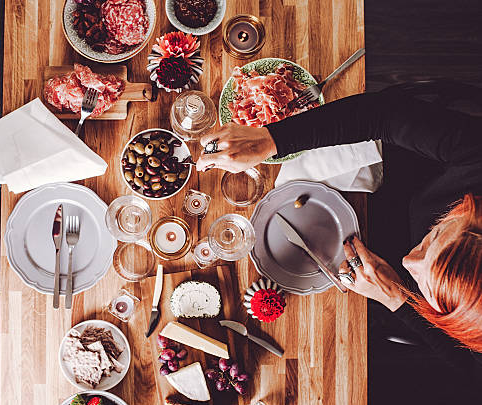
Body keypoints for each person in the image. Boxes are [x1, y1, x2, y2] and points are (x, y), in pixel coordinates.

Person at [196, 91, 482, 382]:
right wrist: (271, 140)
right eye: (433, 242)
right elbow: (382, 114)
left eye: (430, 291)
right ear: (473, 220)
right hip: (409, 172)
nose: (408, 261)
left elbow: (467, 364)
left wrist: (399, 299)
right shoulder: (477, 159)